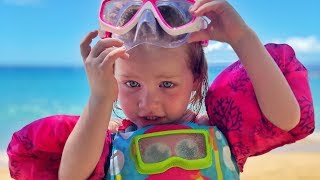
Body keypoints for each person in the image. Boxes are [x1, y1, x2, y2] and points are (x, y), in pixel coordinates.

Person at [7, 0, 314, 179]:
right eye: (130, 84)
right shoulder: (107, 141)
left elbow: (285, 119)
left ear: (196, 80)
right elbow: (71, 176)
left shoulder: (223, 131)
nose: (148, 101)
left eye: (167, 84)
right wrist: (100, 97)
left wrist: (242, 39)